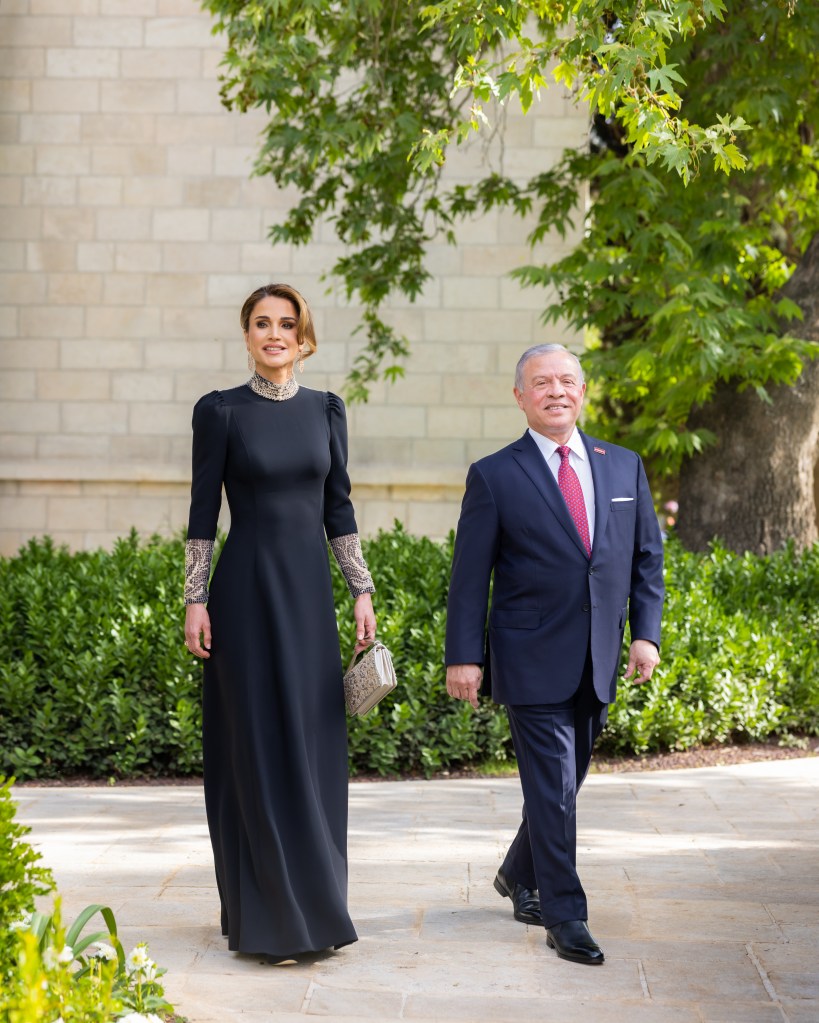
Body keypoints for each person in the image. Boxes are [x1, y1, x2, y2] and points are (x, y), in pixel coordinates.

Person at [445, 343, 664, 965]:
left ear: (584, 391)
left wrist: (644, 634)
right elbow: (470, 575)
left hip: (598, 656)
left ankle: (519, 871)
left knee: (564, 786)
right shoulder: (495, 473)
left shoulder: (623, 466)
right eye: (542, 383)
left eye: (567, 380)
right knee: (555, 787)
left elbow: (647, 558)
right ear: (521, 397)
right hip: (529, 654)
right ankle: (566, 914)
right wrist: (464, 654)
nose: (556, 391)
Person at [183, 283, 376, 962]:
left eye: (285, 323)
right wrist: (194, 599)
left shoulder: (326, 410)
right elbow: (202, 514)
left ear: (302, 335)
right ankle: (266, 916)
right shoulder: (221, 412)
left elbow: (339, 509)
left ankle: (319, 907)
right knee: (258, 748)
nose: (273, 333)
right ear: (246, 335)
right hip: (245, 597)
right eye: (261, 323)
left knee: (314, 744)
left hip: (309, 602)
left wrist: (361, 591)